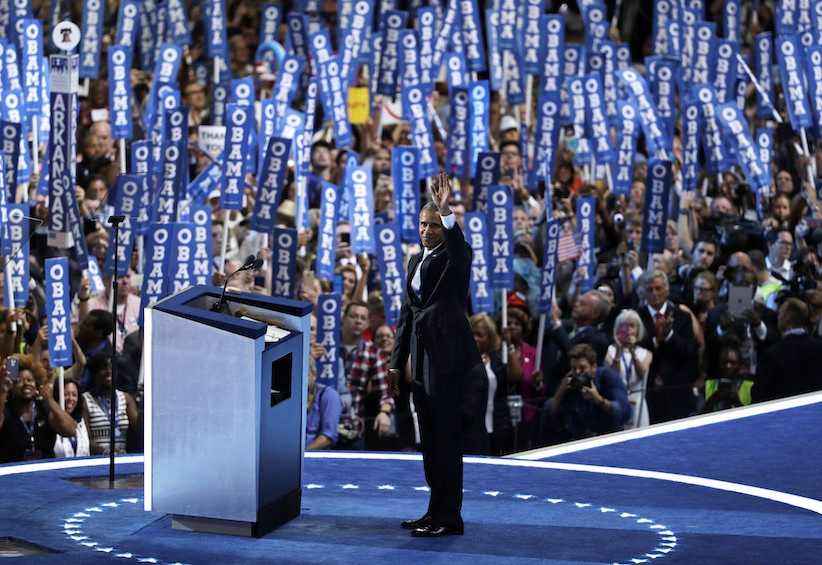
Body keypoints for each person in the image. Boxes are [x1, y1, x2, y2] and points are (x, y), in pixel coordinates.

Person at [389, 172, 481, 537]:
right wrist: (397, 362)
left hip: (447, 362)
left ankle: (449, 517)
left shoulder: (453, 260)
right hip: (420, 362)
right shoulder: (415, 260)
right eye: (423, 225)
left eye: (434, 225)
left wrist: (448, 213)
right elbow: (406, 315)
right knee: (429, 440)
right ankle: (434, 510)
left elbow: (461, 251)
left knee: (446, 441)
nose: (427, 231)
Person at [542, 344, 631, 442]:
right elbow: (548, 418)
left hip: (608, 440)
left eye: (582, 368)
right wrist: (561, 391)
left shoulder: (607, 377)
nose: (577, 372)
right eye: (573, 368)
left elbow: (625, 412)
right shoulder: (569, 382)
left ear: (593, 367)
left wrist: (598, 399)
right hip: (580, 442)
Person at [0, 355, 77, 462]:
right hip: (12, 473)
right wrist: (3, 391)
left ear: (36, 384)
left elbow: (70, 431)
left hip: (43, 472)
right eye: (19, 380)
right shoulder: (5, 409)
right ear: (11, 386)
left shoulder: (44, 408)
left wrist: (49, 400)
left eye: (29, 380)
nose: (26, 383)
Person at [752, 298, 822, 402]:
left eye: (780, 314)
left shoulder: (773, 354)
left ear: (787, 319)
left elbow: (759, 395)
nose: (777, 317)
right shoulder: (819, 348)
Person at [604, 310, 653, 428]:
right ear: (617, 329)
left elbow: (641, 374)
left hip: (638, 402)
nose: (627, 330)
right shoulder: (610, 350)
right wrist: (618, 351)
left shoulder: (646, 353)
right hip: (617, 401)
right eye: (623, 325)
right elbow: (612, 375)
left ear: (638, 330)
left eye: (632, 326)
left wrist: (633, 352)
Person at [84, 354, 139, 455]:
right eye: (103, 368)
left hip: (122, 459)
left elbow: (138, 428)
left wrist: (144, 402)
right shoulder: (85, 400)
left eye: (111, 367)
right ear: (94, 373)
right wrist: (107, 453)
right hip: (97, 462)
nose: (108, 371)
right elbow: (85, 439)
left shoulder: (126, 399)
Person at [305, 361, 341, 449]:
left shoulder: (328, 395)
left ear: (314, 375)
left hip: (314, 454)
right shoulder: (289, 397)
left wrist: (303, 454)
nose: (300, 380)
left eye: (305, 374)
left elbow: (328, 436)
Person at [53, 377, 91, 458]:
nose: (70, 399)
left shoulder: (81, 421)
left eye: (74, 395)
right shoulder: (52, 422)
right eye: (65, 394)